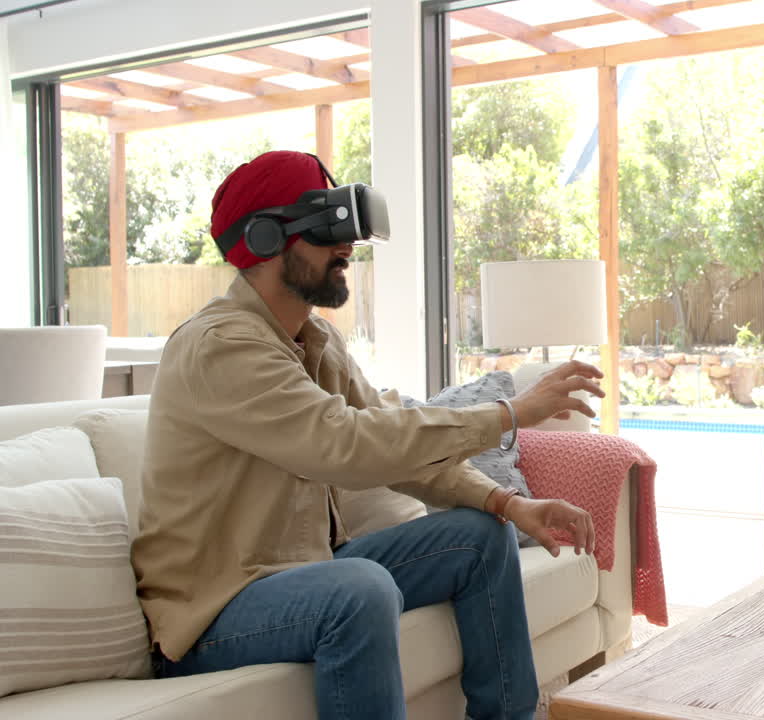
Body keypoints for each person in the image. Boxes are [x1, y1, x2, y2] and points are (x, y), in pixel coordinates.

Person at [131, 150, 604, 720]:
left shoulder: (317, 343)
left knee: (481, 536)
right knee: (359, 589)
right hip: (214, 610)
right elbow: (345, 444)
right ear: (262, 239)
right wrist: (509, 413)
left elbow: (392, 443)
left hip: (303, 570)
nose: (346, 249)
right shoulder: (221, 346)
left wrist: (507, 501)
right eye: (327, 230)